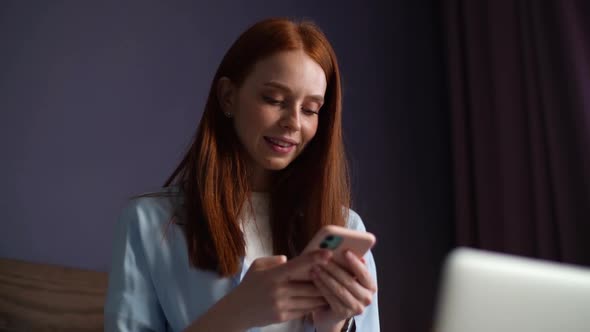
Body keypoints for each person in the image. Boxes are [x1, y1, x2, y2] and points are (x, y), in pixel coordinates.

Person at [104, 17, 380, 332]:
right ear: (228, 97)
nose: (293, 122)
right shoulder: (149, 223)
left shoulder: (344, 226)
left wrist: (337, 326)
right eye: (274, 100)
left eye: (310, 110)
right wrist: (236, 313)